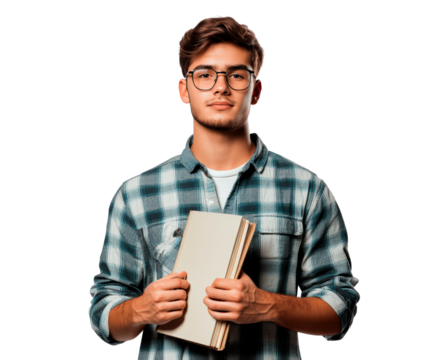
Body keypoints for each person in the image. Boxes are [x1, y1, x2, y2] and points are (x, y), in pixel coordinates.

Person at [88, 13, 360, 359]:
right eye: (204, 74)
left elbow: (340, 306)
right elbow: (103, 314)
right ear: (183, 91)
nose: (221, 86)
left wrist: (269, 306)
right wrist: (141, 310)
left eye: (236, 75)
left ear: (257, 91)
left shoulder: (307, 190)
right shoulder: (136, 194)